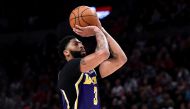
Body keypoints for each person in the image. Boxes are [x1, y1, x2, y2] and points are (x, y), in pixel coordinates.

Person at [57, 24, 127, 109]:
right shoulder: (69, 68)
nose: (81, 45)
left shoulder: (90, 71)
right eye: (76, 44)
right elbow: (104, 53)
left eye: (81, 43)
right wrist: (96, 30)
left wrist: (102, 30)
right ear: (66, 52)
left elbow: (121, 59)